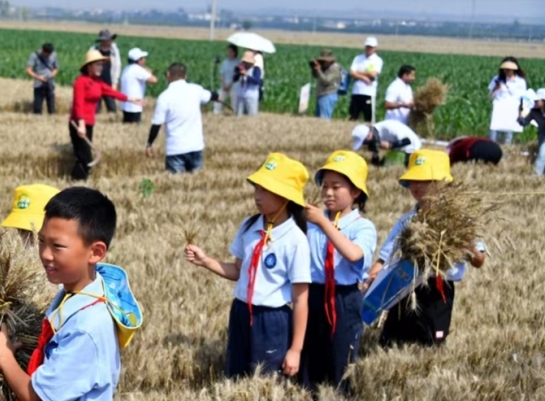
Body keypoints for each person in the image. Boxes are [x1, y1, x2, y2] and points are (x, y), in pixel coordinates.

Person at [0, 187, 123, 400]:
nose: (45, 254)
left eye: (58, 246)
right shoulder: (75, 291)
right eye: (42, 241)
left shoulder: (86, 329)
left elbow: (36, 397)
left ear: (96, 252)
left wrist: (4, 356)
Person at [184, 152, 311, 379]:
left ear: (285, 196)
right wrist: (206, 261)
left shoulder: (296, 240)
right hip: (241, 312)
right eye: (256, 188)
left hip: (273, 320)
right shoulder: (249, 225)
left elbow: (301, 299)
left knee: (267, 382)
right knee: (236, 376)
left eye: (265, 189)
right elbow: (237, 271)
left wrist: (295, 349)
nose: (257, 195)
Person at [365, 150, 485, 347]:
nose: (416, 186)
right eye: (412, 180)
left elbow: (479, 260)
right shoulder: (407, 221)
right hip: (403, 285)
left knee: (430, 342)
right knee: (394, 338)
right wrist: (372, 277)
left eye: (424, 180)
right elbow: (385, 256)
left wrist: (469, 244)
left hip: (437, 290)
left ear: (441, 184)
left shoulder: (458, 222)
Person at [301, 151, 377, 397]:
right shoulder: (310, 220)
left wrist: (324, 224)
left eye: (336, 187)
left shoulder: (362, 226)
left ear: (355, 192)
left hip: (344, 299)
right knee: (311, 358)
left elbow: (354, 254)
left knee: (341, 360)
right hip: (312, 294)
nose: (328, 193)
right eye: (324, 186)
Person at [70, 50, 140, 181]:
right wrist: (81, 124)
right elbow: (78, 104)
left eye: (101, 65)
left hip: (89, 123)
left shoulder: (98, 82)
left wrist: (129, 99)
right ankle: (76, 182)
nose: (100, 67)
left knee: (85, 155)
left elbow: (111, 92)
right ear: (89, 66)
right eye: (97, 64)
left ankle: (78, 181)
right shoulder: (81, 82)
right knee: (84, 157)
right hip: (78, 123)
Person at [146, 63, 220, 174]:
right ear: (185, 76)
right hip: (196, 146)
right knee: (197, 183)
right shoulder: (196, 90)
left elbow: (156, 124)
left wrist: (149, 144)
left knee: (175, 185)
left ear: (168, 75)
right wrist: (217, 97)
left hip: (175, 148)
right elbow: (212, 95)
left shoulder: (164, 97)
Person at [488, 57, 528, 145]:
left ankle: (506, 151)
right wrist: (495, 88)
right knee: (494, 132)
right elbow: (490, 96)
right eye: (505, 69)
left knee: (508, 133)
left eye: (509, 69)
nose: (507, 71)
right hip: (499, 107)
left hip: (512, 109)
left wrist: (521, 111)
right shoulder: (497, 79)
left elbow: (523, 98)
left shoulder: (520, 81)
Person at [351, 119, 422, 167]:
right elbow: (375, 156)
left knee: (402, 166)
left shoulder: (389, 128)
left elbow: (407, 141)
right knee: (384, 165)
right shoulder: (374, 135)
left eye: (365, 142)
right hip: (396, 150)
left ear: (369, 135)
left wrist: (390, 145)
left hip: (411, 148)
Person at [349, 37, 384, 122]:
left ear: (375, 48)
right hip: (356, 91)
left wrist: (358, 73)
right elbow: (351, 72)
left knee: (368, 117)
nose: (369, 49)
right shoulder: (358, 58)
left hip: (369, 92)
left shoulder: (378, 60)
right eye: (368, 46)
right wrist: (364, 77)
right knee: (353, 115)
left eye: (371, 47)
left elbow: (373, 73)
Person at [120, 47, 158, 124]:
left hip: (125, 103)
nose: (144, 60)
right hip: (135, 104)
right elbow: (154, 80)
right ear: (139, 60)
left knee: (127, 124)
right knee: (134, 124)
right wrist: (148, 72)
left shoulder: (126, 68)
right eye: (143, 58)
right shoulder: (138, 70)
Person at [90, 29, 122, 115]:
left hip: (109, 81)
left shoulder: (114, 51)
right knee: (95, 105)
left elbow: (117, 67)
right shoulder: (94, 50)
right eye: (108, 39)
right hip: (95, 81)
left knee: (111, 105)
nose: (110, 41)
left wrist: (115, 82)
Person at [26, 43, 59, 115]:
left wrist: (51, 75)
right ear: (43, 50)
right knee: (37, 107)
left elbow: (56, 68)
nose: (48, 55)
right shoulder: (34, 55)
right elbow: (28, 70)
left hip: (50, 83)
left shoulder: (54, 55)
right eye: (47, 54)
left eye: (50, 54)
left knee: (51, 107)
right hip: (39, 84)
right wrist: (38, 77)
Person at [518, 88, 545, 176]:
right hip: (542, 134)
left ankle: (537, 174)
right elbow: (524, 123)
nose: (535, 102)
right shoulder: (534, 112)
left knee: (543, 153)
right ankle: (538, 176)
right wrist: (520, 115)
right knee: (543, 153)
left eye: (537, 100)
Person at [311, 49, 341, 120]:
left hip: (328, 95)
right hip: (321, 95)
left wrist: (319, 70)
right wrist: (314, 69)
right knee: (317, 119)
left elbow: (326, 81)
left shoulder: (334, 69)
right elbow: (315, 76)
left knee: (324, 119)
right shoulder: (325, 67)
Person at [234, 50, 262, 117]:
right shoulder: (243, 69)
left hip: (251, 96)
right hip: (240, 95)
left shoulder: (256, 69)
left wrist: (247, 75)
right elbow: (234, 79)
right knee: (239, 116)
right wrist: (239, 73)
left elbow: (257, 82)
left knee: (252, 117)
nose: (245, 63)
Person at [214, 44, 240, 114]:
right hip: (225, 84)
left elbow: (236, 75)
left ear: (235, 52)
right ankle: (216, 113)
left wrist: (230, 85)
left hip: (234, 84)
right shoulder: (225, 62)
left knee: (234, 101)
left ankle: (234, 113)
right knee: (219, 98)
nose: (229, 53)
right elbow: (222, 73)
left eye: (231, 51)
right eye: (228, 51)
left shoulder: (238, 62)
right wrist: (223, 84)